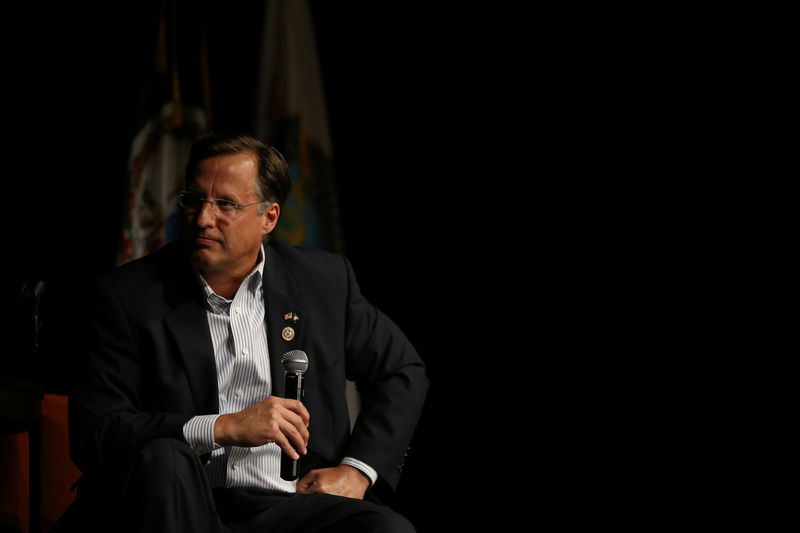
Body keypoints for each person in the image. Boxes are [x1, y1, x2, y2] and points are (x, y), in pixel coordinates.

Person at [62, 133, 428, 532]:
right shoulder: (126, 297)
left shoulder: (323, 283)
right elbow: (96, 431)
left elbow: (402, 372)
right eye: (195, 200)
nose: (203, 218)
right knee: (166, 459)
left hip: (292, 502)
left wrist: (357, 472)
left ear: (268, 218)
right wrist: (223, 427)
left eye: (225, 205)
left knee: (387, 530)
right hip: (178, 500)